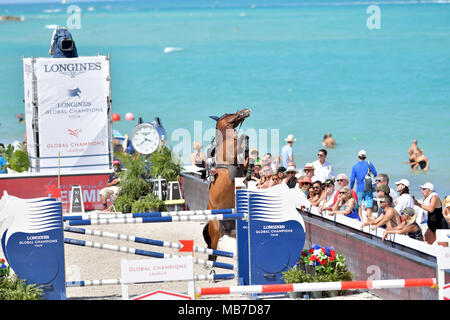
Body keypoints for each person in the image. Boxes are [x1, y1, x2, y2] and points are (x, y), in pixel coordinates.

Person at [350, 150, 377, 221]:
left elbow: (352, 180)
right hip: (368, 187)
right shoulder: (369, 164)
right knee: (369, 203)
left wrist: (351, 189)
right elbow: (375, 174)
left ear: (358, 156)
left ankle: (360, 219)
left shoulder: (354, 166)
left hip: (359, 188)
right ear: (365, 157)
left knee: (359, 204)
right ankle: (368, 220)